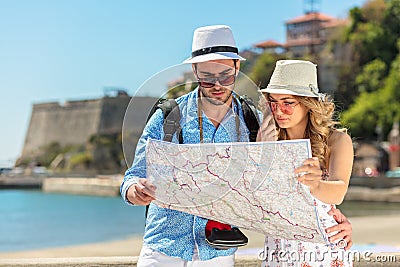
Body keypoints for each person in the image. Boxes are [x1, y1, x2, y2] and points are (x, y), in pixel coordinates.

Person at [121, 26, 353, 267]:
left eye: (225, 76)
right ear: (194, 70)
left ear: (237, 67)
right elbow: (133, 176)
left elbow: (270, 186)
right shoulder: (168, 116)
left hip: (218, 252)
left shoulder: (252, 120)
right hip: (162, 247)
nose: (217, 84)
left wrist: (329, 215)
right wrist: (134, 191)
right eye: (207, 77)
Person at [258, 59, 354, 266]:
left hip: (324, 250)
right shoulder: (265, 141)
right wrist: (262, 150)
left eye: (287, 102)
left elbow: (339, 192)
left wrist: (317, 185)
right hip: (278, 252)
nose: (278, 110)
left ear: (308, 103)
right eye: (273, 102)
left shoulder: (337, 141)